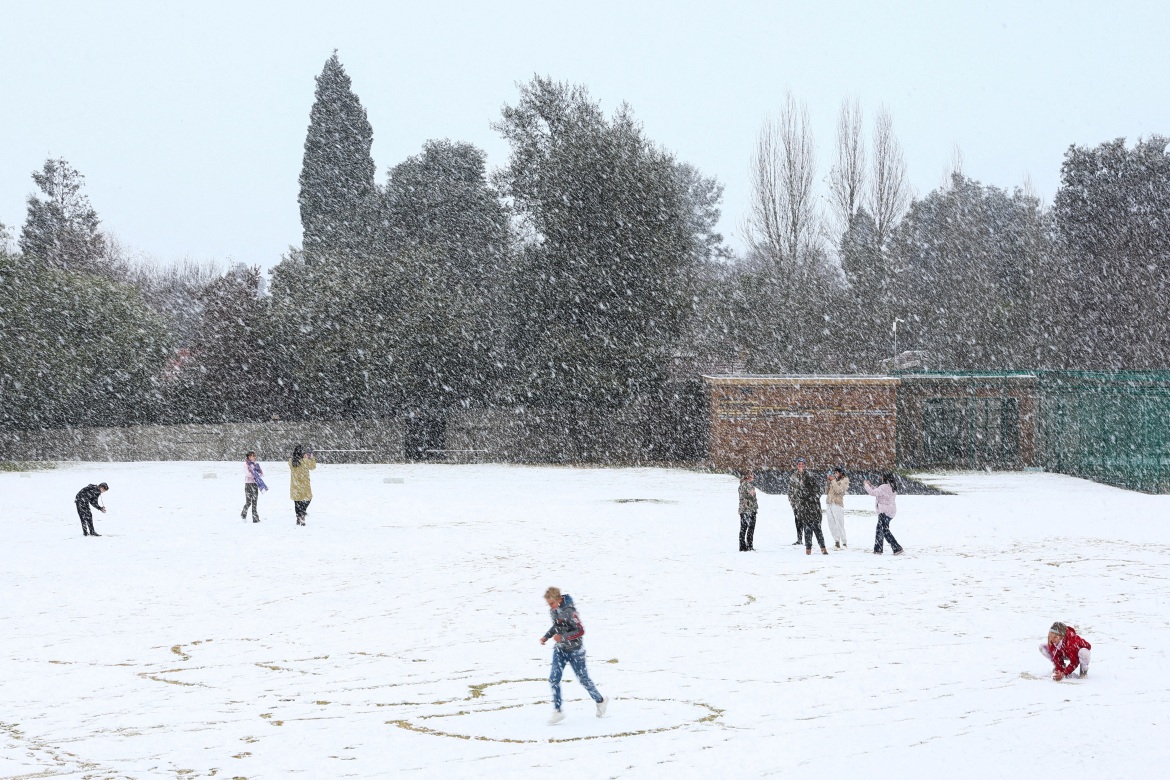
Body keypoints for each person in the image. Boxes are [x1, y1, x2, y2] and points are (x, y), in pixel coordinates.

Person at [540, 586, 606, 725]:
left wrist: (563, 638)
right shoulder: (553, 611)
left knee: (583, 680)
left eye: (551, 603)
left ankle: (600, 700)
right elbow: (557, 626)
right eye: (548, 604)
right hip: (560, 650)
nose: (550, 607)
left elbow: (580, 631)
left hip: (576, 651)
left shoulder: (570, 612)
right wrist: (547, 636)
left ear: (558, 599)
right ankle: (558, 711)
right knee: (553, 679)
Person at [789, 458, 826, 555]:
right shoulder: (794, 476)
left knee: (816, 528)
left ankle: (821, 547)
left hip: (812, 507)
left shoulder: (810, 476)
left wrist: (813, 498)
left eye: (802, 464)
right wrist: (793, 503)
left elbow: (818, 490)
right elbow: (791, 491)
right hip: (800, 506)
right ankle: (802, 542)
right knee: (804, 526)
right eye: (799, 464)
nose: (801, 466)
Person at [864, 473, 903, 555]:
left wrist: (866, 485)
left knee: (884, 530)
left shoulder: (884, 487)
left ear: (885, 478)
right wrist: (871, 485)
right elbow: (878, 491)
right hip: (890, 512)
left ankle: (896, 548)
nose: (881, 478)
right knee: (880, 530)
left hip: (884, 512)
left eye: (882, 477)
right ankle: (878, 549)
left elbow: (873, 493)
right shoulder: (892, 486)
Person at [289, 445, 316, 526]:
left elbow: (294, 462)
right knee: (308, 498)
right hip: (304, 485)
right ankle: (302, 514)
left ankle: (298, 517)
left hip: (295, 485)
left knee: (297, 502)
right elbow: (313, 466)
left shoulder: (291, 461)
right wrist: (311, 458)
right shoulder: (305, 461)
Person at [825, 466, 849, 549]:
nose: (835, 474)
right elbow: (827, 491)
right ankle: (836, 542)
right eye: (834, 472)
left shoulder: (845, 481)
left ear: (841, 473)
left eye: (837, 472)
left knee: (839, 523)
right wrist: (828, 482)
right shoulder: (834, 480)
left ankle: (844, 543)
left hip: (837, 503)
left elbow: (838, 490)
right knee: (831, 523)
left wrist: (833, 481)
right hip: (829, 503)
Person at [242, 451, 267, 523]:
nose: (253, 457)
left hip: (255, 484)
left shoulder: (256, 465)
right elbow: (248, 474)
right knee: (248, 502)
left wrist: (257, 474)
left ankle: (255, 519)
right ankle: (243, 513)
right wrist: (255, 475)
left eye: (254, 455)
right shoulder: (246, 465)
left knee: (255, 502)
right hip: (248, 484)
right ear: (248, 457)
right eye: (252, 456)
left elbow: (261, 474)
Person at [738, 470, 758, 552]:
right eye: (751, 474)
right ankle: (744, 546)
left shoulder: (749, 485)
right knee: (746, 527)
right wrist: (751, 495)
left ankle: (748, 545)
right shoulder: (744, 485)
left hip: (750, 509)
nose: (753, 476)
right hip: (746, 510)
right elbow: (745, 497)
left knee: (749, 528)